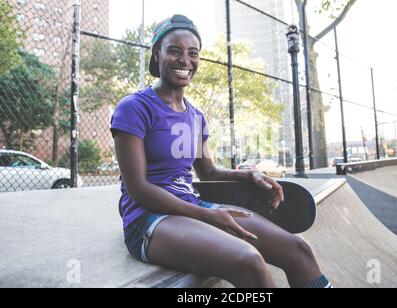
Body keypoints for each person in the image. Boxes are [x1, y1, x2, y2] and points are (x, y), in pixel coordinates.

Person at [110, 14, 332, 288]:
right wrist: (207, 216)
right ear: (157, 54)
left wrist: (250, 176)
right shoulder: (134, 107)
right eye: (174, 51)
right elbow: (138, 189)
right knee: (249, 261)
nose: (185, 61)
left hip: (193, 206)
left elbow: (208, 171)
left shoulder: (196, 116)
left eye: (193, 53)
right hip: (149, 220)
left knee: (298, 250)